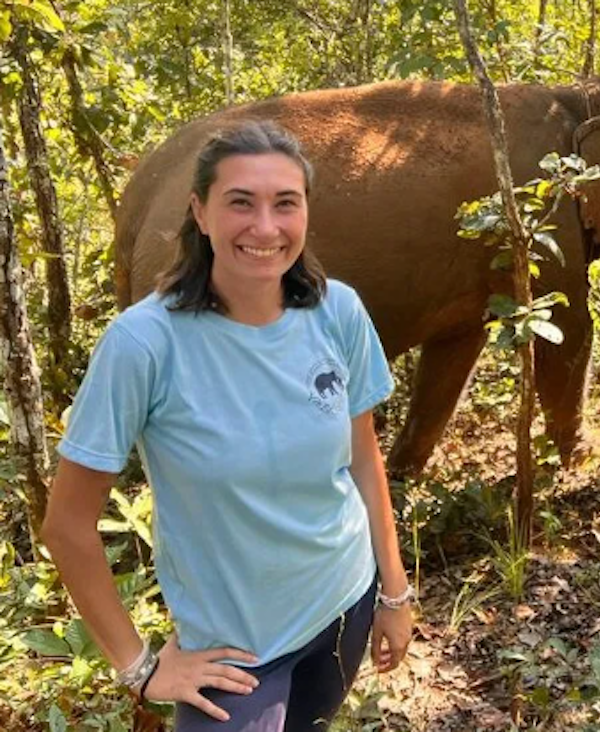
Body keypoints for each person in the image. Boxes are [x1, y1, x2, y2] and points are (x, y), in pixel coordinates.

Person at [42, 120, 413, 731]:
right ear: (201, 212)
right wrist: (140, 668)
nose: (264, 228)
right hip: (236, 657)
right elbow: (67, 526)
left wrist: (393, 593)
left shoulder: (337, 311)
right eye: (240, 202)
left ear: (305, 214)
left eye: (284, 204)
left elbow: (363, 461)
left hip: (344, 603)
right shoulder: (143, 343)